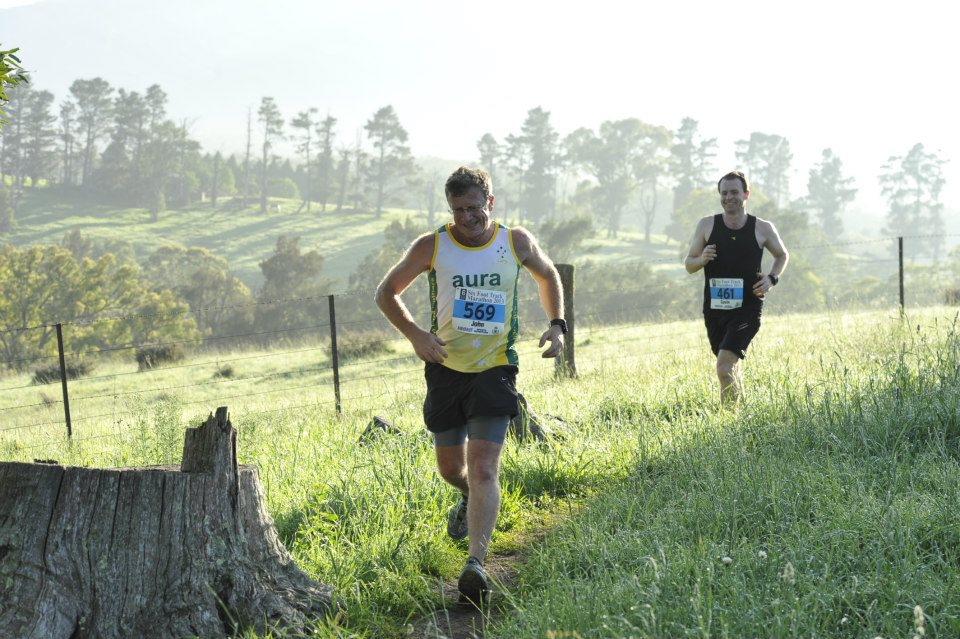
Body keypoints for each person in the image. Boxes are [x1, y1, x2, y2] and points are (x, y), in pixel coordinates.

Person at [375, 166, 566, 604]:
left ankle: (476, 563)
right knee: (450, 469)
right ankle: (470, 499)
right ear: (450, 209)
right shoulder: (432, 245)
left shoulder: (514, 240)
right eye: (459, 210)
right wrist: (416, 336)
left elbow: (548, 275)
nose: (467, 217)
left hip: (496, 367)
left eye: (475, 208)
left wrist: (557, 326)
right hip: (445, 367)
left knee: (483, 468)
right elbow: (386, 292)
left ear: (490, 204)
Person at [684, 171, 789, 404]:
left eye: (734, 192)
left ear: (746, 195)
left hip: (747, 309)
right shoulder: (707, 225)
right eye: (724, 193)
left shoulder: (762, 228)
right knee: (730, 367)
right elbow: (689, 264)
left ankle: (727, 424)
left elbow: (782, 255)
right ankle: (741, 417)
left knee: (723, 367)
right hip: (715, 310)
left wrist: (772, 278)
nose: (728, 197)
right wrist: (701, 260)